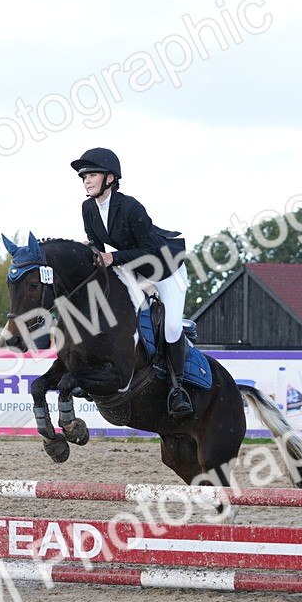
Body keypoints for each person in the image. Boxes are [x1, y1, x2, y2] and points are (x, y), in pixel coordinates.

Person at [71, 147, 192, 417]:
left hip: (164, 268)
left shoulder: (130, 206)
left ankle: (178, 389)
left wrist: (112, 256)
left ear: (110, 179)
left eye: (92, 175)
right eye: (84, 177)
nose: (86, 181)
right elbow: (96, 244)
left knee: (171, 326)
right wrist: (86, 250)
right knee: (112, 310)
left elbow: (151, 251)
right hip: (132, 268)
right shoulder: (88, 208)